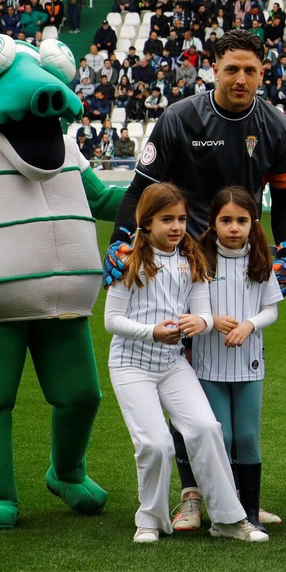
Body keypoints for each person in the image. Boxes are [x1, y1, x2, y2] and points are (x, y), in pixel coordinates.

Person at [102, 29, 286, 531]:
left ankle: (232, 498)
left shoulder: (276, 126)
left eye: (250, 69)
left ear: (263, 72)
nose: (240, 78)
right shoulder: (180, 118)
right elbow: (139, 189)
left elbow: (285, 199)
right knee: (185, 361)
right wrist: (122, 239)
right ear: (213, 67)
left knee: (229, 366)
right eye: (231, 68)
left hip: (239, 250)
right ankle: (191, 495)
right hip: (185, 256)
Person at [104, 182, 264, 543]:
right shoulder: (128, 260)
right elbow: (111, 322)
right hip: (131, 366)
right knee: (155, 444)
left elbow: (204, 315)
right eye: (166, 219)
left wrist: (200, 322)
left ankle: (226, 520)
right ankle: (150, 520)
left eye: (180, 218)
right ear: (146, 221)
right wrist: (152, 332)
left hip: (173, 364)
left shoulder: (191, 260)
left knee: (208, 429)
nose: (176, 227)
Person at [193, 187, 283, 531]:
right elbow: (188, 306)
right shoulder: (199, 259)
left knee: (246, 438)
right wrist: (211, 322)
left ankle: (251, 511)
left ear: (253, 222)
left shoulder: (260, 259)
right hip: (208, 365)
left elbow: (271, 309)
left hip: (249, 366)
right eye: (226, 220)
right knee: (222, 437)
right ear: (213, 223)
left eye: (241, 220)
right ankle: (223, 512)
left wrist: (249, 324)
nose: (234, 228)